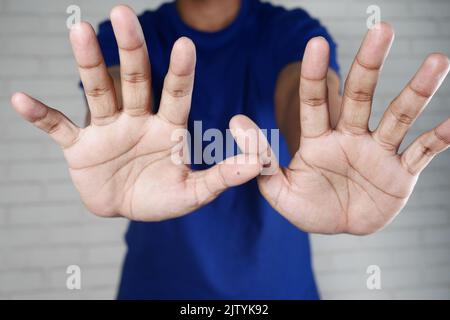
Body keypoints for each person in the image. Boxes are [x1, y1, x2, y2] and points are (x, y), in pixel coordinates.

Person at [10, 0, 450, 299]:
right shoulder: (130, 37)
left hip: (277, 290)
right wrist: (116, 133)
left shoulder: (290, 30)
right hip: (158, 287)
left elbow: (303, 90)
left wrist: (328, 140)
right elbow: (115, 103)